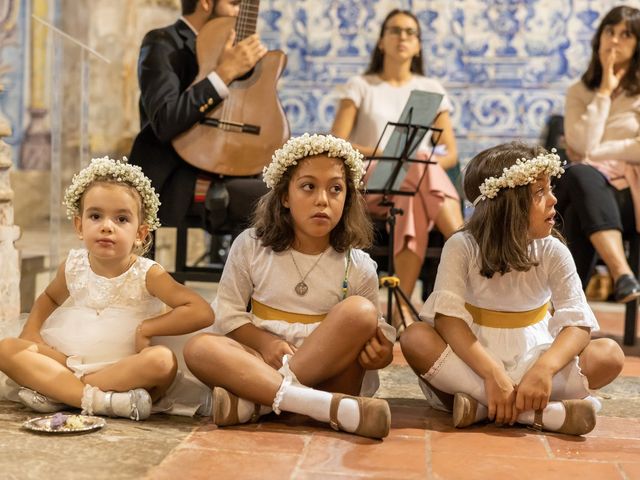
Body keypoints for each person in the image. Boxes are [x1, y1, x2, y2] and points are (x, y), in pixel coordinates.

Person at [400, 142, 625, 435]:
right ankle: (535, 414)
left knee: (609, 355)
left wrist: (544, 370)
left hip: (532, 356)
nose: (554, 200)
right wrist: (493, 373)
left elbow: (577, 324)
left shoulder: (553, 251)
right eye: (539, 193)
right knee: (415, 338)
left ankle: (481, 407)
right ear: (508, 205)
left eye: (550, 189)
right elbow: (448, 320)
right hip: (474, 359)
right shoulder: (462, 246)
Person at [183, 134, 395, 439]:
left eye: (335, 189)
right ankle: (318, 406)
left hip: (330, 373)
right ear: (284, 196)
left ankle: (258, 404)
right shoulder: (252, 246)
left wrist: (382, 352)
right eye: (308, 186)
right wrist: (266, 343)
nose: (323, 199)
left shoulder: (357, 264)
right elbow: (228, 315)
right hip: (262, 361)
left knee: (361, 312)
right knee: (199, 348)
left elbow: (378, 336)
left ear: (347, 197)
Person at [0, 158, 214, 420]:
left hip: (124, 367)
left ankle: (61, 392)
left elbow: (201, 311)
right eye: (95, 216)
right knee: (7, 349)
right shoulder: (73, 265)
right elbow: (49, 297)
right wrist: (31, 330)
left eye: (122, 219)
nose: (106, 226)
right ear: (80, 226)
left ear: (141, 233)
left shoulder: (147, 273)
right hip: (68, 359)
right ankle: (101, 401)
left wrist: (148, 328)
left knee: (162, 361)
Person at [331, 9, 464, 328]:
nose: (403, 37)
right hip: (369, 182)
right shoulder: (361, 85)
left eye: (410, 32)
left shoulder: (431, 88)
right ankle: (464, 243)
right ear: (381, 41)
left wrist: (416, 161)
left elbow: (451, 153)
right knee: (417, 168)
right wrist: (388, 154)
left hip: (411, 187)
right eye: (395, 30)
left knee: (414, 186)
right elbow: (337, 142)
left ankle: (400, 303)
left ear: (418, 45)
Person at [129, 0, 268, 231]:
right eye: (234, 4)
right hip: (176, 180)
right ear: (205, 3)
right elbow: (165, 121)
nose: (240, 13)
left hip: (234, 171)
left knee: (295, 190)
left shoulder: (234, 47)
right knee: (277, 200)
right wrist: (225, 73)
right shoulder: (163, 44)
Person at [556, 5, 640, 303]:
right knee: (580, 175)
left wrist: (598, 153)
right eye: (609, 31)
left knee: (577, 207)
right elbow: (583, 143)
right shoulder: (579, 91)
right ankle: (623, 275)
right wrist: (604, 90)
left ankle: (563, 309)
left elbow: (589, 150)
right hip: (589, 187)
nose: (615, 41)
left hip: (630, 196)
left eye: (626, 35)